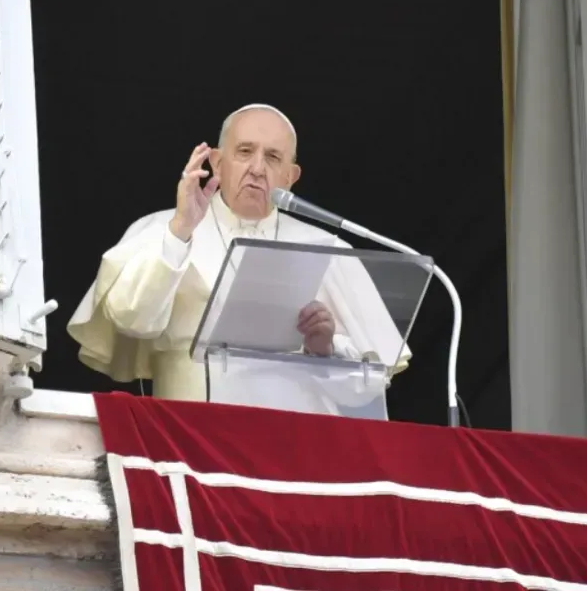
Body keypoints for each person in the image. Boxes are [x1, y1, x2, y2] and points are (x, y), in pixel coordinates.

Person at [67, 104, 410, 417]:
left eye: (273, 158)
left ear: (290, 177)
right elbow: (132, 319)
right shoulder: (162, 229)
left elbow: (370, 386)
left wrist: (326, 349)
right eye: (245, 152)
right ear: (217, 162)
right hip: (189, 435)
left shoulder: (325, 246)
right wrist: (180, 232)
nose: (257, 168)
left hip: (298, 448)